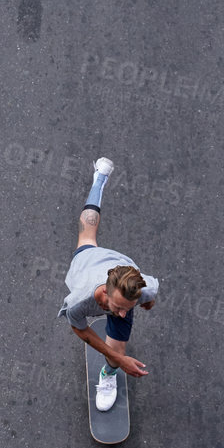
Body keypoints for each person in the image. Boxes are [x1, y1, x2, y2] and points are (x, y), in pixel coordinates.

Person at [58, 158, 158, 411]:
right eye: (119, 307)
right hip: (88, 260)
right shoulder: (79, 301)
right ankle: (99, 178)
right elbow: (81, 330)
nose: (125, 313)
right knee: (87, 228)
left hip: (120, 264)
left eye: (130, 307)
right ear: (104, 292)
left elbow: (146, 296)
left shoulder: (143, 288)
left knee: (118, 346)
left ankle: (108, 375)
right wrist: (120, 359)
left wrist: (146, 302)